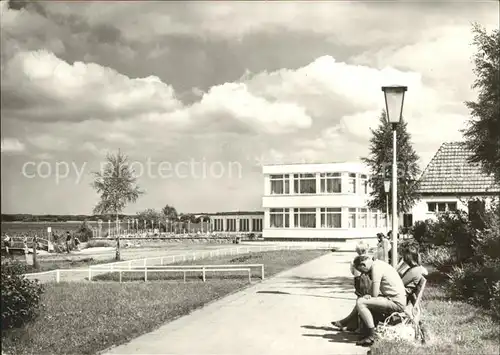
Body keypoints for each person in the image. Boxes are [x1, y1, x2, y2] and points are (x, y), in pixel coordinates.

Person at [352, 255, 407, 346]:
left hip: (396, 302)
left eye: (362, 271)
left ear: (363, 265)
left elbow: (374, 294)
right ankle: (366, 332)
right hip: (396, 299)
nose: (363, 274)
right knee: (364, 300)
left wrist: (367, 296)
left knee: (361, 302)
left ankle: (371, 335)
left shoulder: (376, 269)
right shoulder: (379, 264)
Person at [332, 242, 373, 331]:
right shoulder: (369, 259)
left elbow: (353, 271)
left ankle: (349, 323)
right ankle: (351, 324)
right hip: (364, 281)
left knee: (360, 302)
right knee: (360, 303)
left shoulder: (355, 260)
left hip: (359, 281)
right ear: (366, 250)